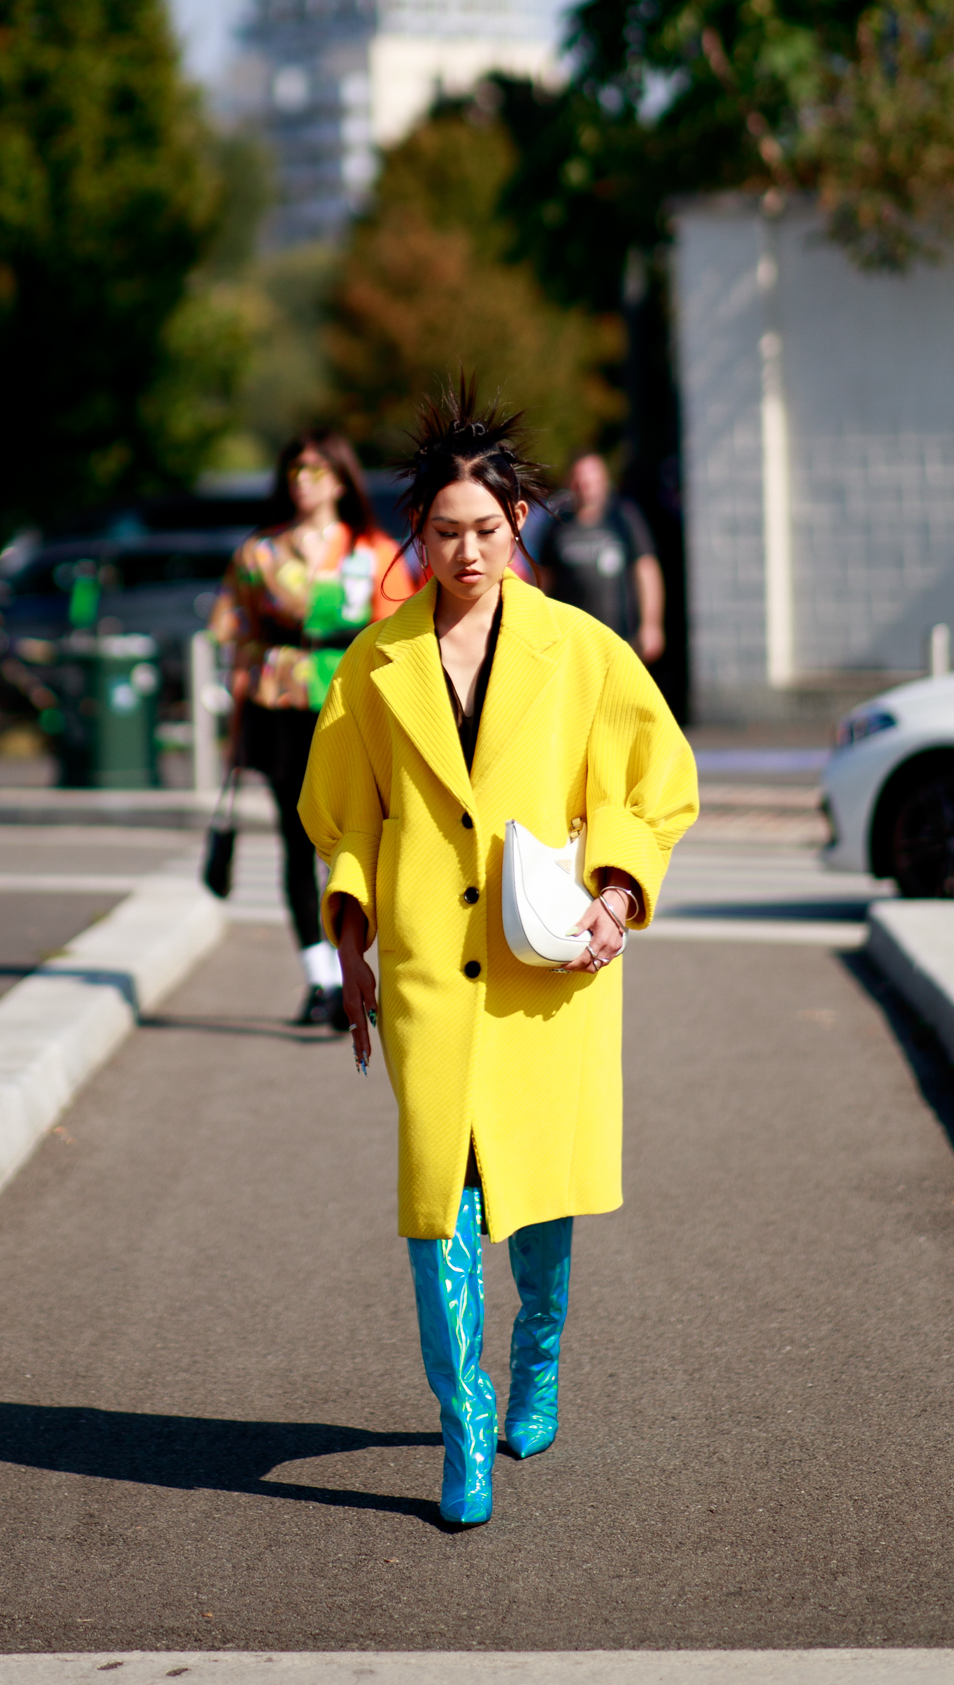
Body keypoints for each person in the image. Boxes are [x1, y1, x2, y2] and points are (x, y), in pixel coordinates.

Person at [299, 389, 696, 1527]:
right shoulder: (370, 668)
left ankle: (539, 1355)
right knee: (444, 1194)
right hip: (428, 965)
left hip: (545, 966)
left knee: (541, 1188)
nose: (465, 552)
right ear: (415, 534)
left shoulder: (584, 652)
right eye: (443, 532)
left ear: (517, 519)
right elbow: (344, 818)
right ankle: (463, 1421)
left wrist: (618, 891)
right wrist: (353, 932)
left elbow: (650, 784)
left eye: (484, 529)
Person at [210, 429, 414, 1029]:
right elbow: (236, 635)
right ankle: (320, 980)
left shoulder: (374, 551)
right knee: (295, 842)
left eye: (320, 470)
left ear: (344, 478)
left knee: (354, 837)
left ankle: (359, 968)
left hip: (352, 707)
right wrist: (234, 721)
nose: (306, 481)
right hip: (279, 704)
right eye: (297, 470)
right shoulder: (259, 553)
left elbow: (403, 639)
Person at [534, 449, 665, 664]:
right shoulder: (557, 525)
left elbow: (646, 570)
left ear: (604, 480)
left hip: (620, 638)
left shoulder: (623, 518)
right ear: (570, 482)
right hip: (571, 641)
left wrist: (651, 625)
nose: (585, 486)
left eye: (592, 479)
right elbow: (542, 579)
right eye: (580, 479)